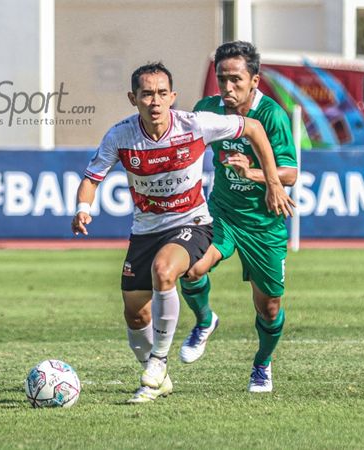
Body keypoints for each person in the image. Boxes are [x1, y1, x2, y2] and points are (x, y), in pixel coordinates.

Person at [70, 62, 292, 403]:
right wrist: (83, 209)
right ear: (134, 98)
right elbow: (91, 178)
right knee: (135, 312)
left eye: (162, 94)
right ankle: (158, 378)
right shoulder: (120, 135)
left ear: (173, 96)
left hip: (192, 223)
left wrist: (272, 180)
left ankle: (159, 360)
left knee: (166, 270)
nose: (155, 102)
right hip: (146, 230)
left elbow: (253, 129)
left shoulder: (194, 124)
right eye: (146, 94)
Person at [179, 41, 298, 393]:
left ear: (255, 81)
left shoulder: (272, 116)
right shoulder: (207, 109)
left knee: (269, 308)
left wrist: (256, 175)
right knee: (192, 268)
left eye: (235, 80)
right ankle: (205, 321)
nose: (227, 88)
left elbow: (289, 174)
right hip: (222, 212)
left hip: (263, 225)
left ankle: (262, 364)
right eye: (221, 79)